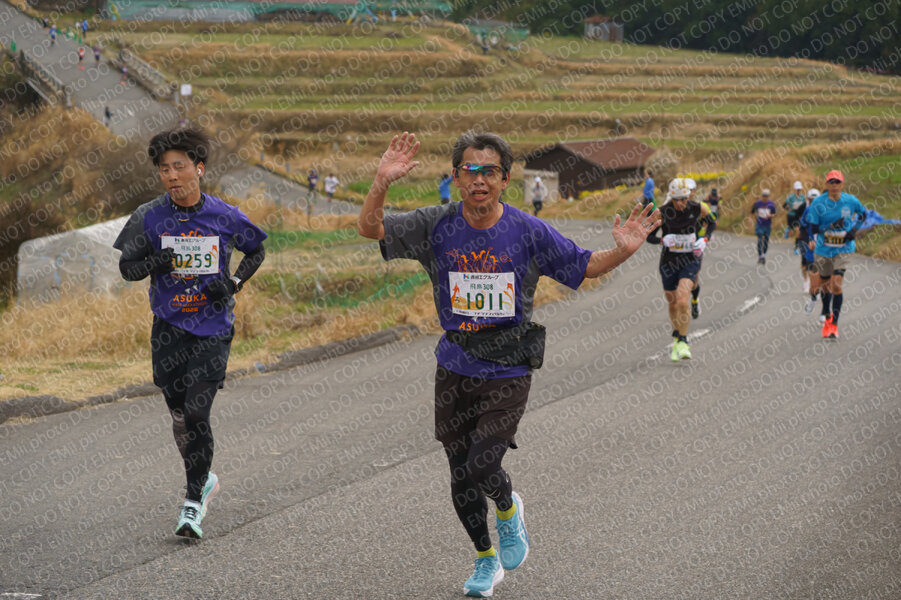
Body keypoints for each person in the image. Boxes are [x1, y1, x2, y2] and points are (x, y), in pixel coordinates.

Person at [357, 131, 659, 598]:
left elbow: (584, 266)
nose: (479, 180)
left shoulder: (527, 230)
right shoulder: (435, 224)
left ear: (505, 179)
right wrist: (381, 181)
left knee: (483, 464)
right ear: (456, 177)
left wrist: (622, 249)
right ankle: (485, 558)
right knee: (460, 471)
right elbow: (370, 228)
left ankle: (507, 507)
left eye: (490, 171)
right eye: (470, 171)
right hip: (454, 363)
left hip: (509, 364)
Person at [113, 127, 267, 539]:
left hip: (212, 328)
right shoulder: (148, 216)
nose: (171, 176)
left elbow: (256, 250)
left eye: (179, 166)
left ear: (199, 168)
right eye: (164, 169)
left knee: (198, 412)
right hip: (168, 329)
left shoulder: (224, 215)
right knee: (182, 417)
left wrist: (233, 283)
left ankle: (193, 500)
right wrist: (155, 262)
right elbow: (128, 269)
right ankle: (203, 476)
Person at [647, 178, 712, 360]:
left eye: (685, 199)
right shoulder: (662, 212)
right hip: (668, 262)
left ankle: (683, 340)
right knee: (673, 302)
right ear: (672, 198)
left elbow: (712, 222)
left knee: (683, 300)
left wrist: (704, 239)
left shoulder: (697, 208)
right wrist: (662, 240)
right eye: (678, 200)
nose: (682, 203)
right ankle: (676, 336)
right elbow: (649, 236)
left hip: (690, 260)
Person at [804, 170, 867, 339]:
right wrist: (813, 237)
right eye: (831, 182)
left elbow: (863, 214)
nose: (834, 185)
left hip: (843, 249)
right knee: (825, 285)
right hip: (823, 249)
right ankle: (826, 314)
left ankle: (834, 325)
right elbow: (813, 226)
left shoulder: (850, 201)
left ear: (842, 184)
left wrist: (853, 230)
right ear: (826, 184)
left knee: (837, 284)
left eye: (837, 182)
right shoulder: (818, 203)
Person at [686, 179, 716, 320]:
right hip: (679, 249)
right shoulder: (674, 207)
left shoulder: (701, 207)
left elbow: (712, 222)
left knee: (693, 281)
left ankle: (694, 301)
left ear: (694, 191)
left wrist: (705, 238)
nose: (687, 193)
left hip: (696, 246)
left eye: (690, 190)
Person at [800, 188, 820, 309]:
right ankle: (812, 289)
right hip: (810, 245)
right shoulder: (807, 210)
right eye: (812, 200)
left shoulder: (825, 211)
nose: (814, 202)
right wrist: (807, 241)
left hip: (823, 245)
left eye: (816, 200)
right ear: (808, 200)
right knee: (810, 267)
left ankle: (818, 289)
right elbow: (802, 226)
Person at [750, 189, 776, 264]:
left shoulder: (771, 204)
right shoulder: (757, 204)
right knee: (760, 240)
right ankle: (760, 256)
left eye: (766, 196)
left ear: (768, 196)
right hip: (759, 225)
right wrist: (751, 219)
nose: (765, 197)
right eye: (764, 196)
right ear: (762, 196)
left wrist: (770, 215)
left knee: (766, 241)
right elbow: (752, 212)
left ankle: (763, 255)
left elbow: (774, 214)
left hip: (767, 225)